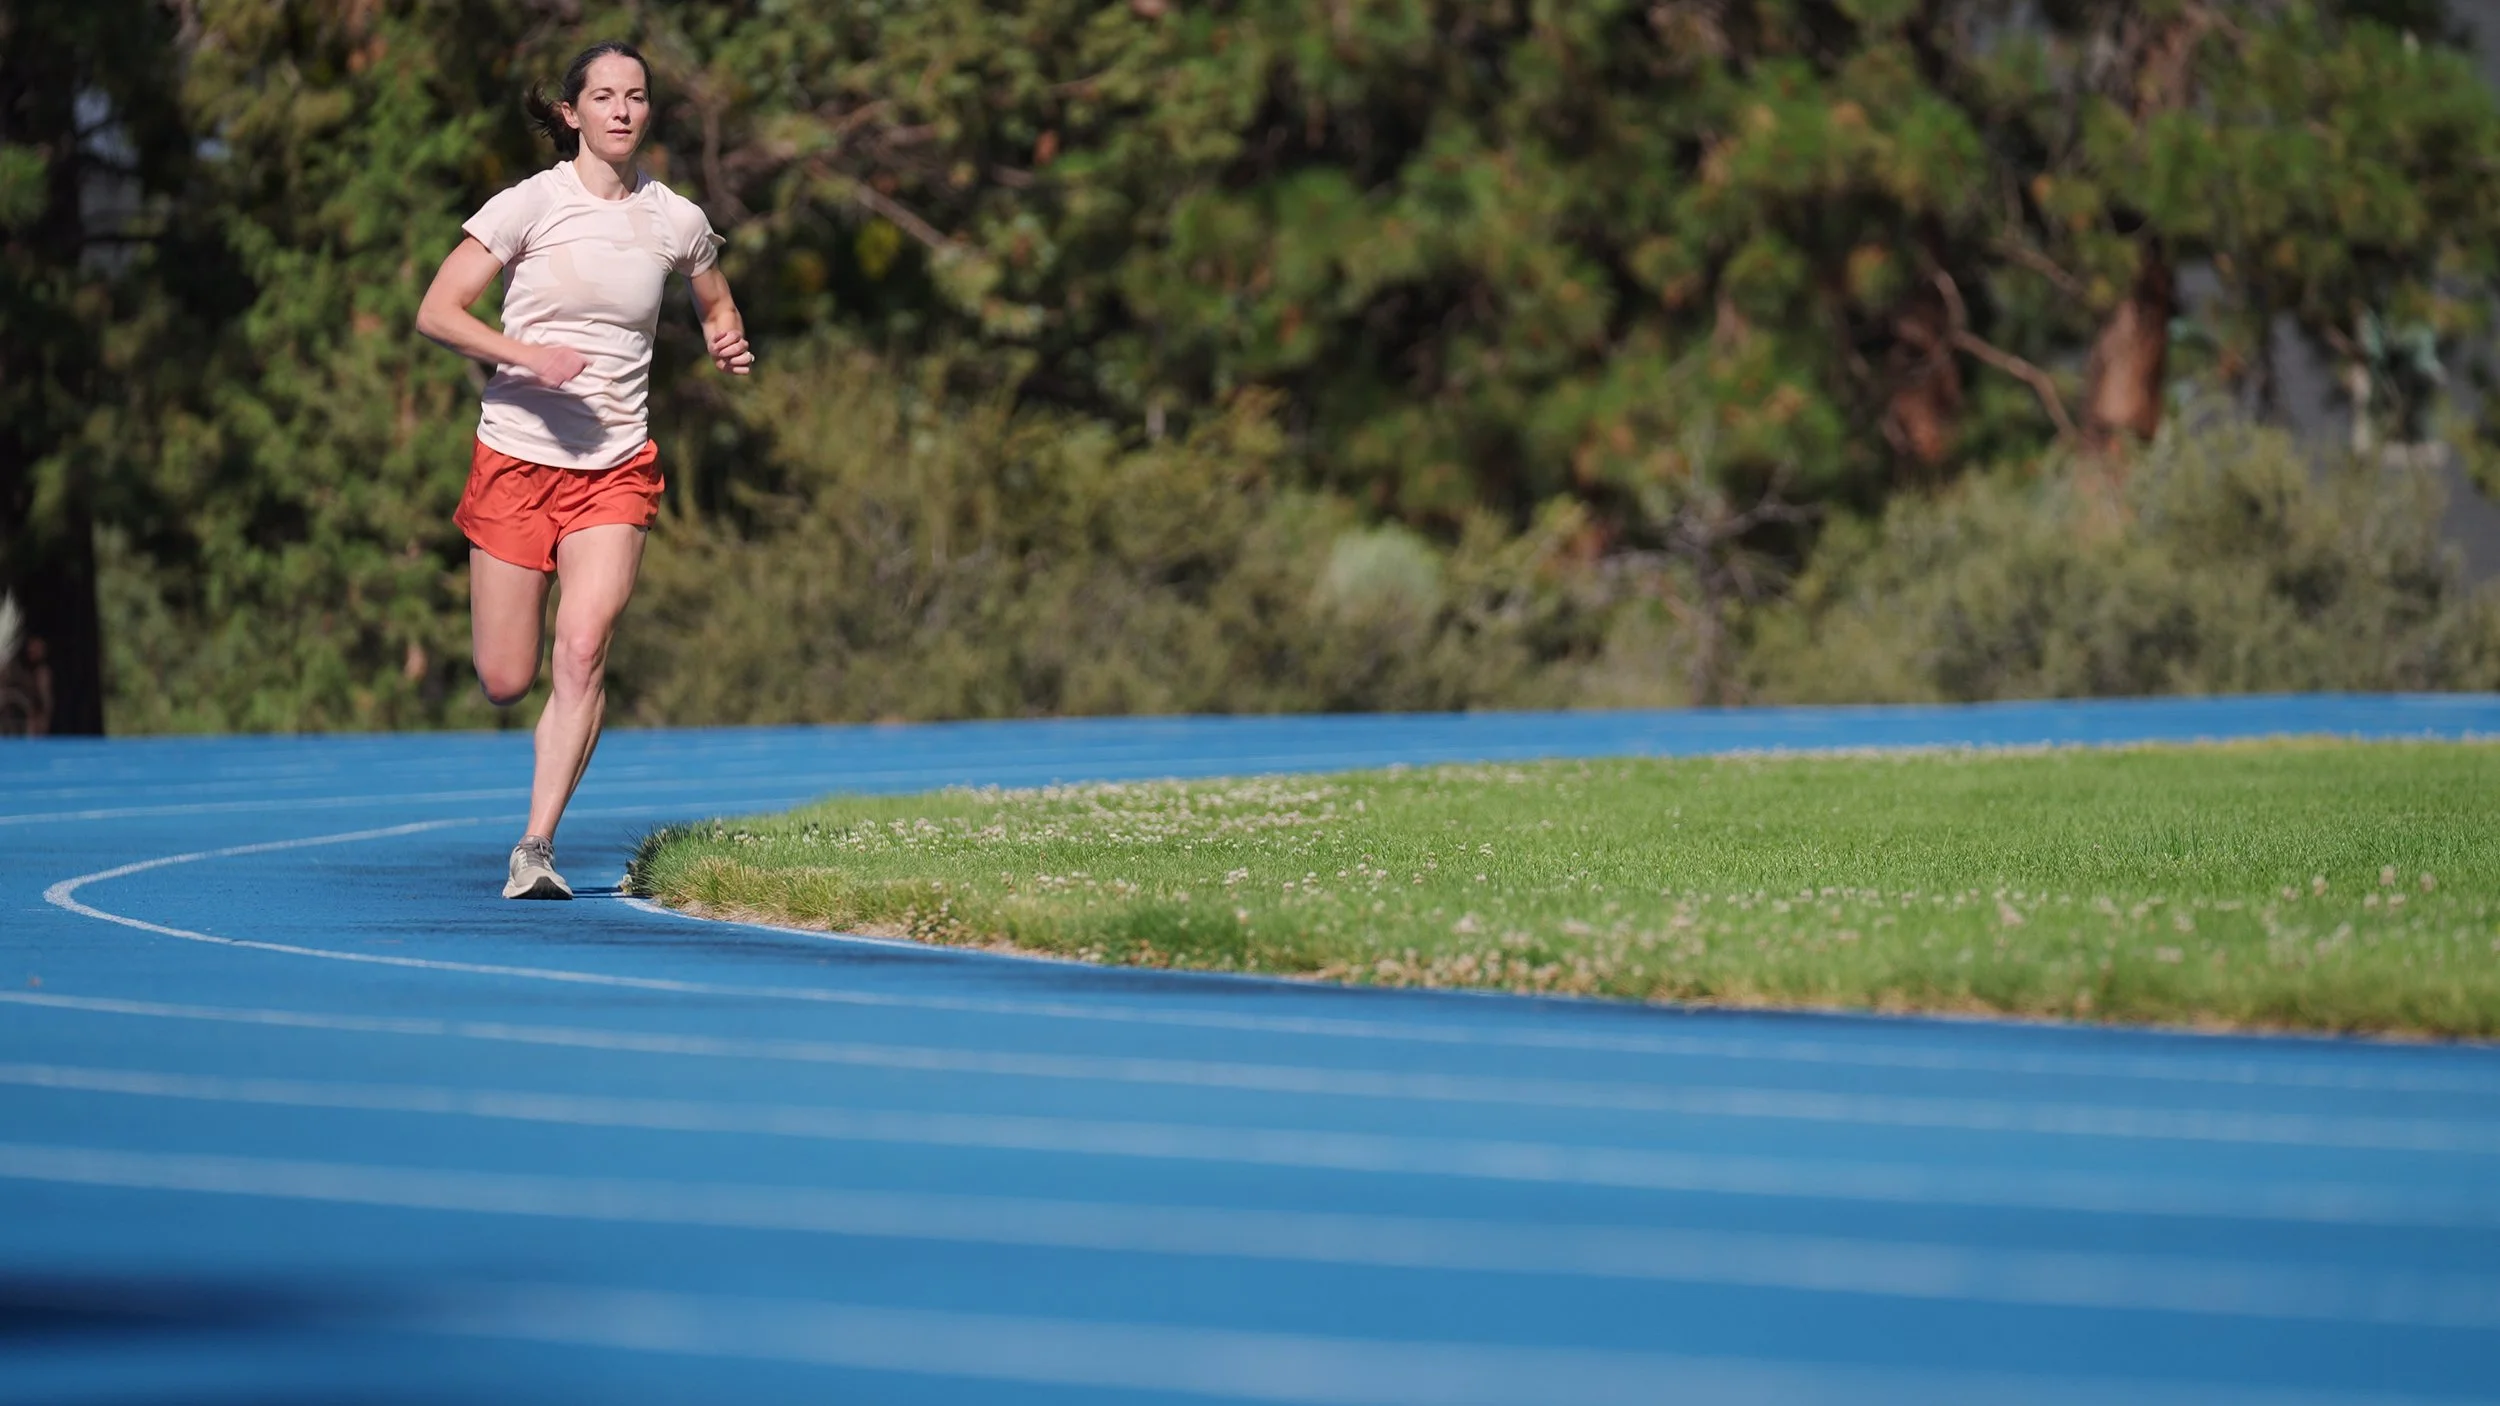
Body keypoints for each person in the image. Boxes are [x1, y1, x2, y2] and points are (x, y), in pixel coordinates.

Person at [415, 40, 750, 899]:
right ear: (572, 113)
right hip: (517, 460)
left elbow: (713, 293)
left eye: (635, 96)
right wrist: (525, 355)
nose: (622, 111)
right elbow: (437, 311)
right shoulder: (529, 204)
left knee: (584, 647)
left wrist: (725, 336)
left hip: (614, 466)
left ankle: (536, 846)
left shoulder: (673, 217)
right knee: (505, 678)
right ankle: (528, 801)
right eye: (604, 96)